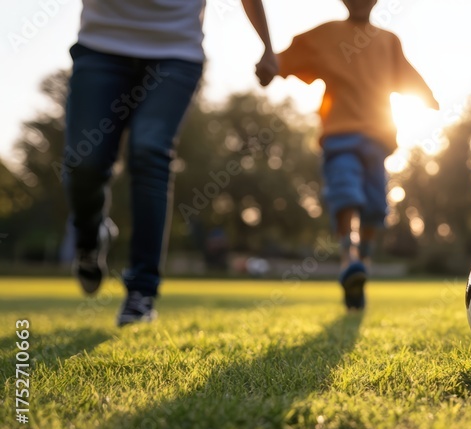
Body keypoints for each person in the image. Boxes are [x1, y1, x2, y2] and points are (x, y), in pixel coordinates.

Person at [65, 0, 277, 326]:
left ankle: (142, 291)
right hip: (101, 45)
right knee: (85, 161)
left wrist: (267, 46)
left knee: (150, 151)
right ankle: (90, 238)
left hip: (175, 52)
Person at [275, 0, 439, 311]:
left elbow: (405, 73)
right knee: (345, 191)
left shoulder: (389, 41)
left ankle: (361, 263)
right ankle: (348, 257)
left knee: (376, 207)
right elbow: (290, 56)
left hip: (378, 138)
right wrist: (272, 65)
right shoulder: (327, 34)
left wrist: (426, 95)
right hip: (340, 135)